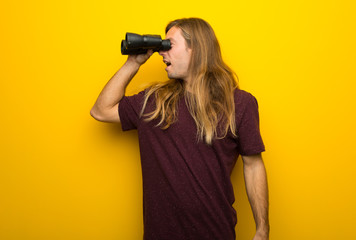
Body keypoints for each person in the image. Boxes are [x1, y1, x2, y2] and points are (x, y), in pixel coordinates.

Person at [90, 17, 269, 240]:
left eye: (169, 45)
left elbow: (253, 166)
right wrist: (133, 63)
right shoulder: (154, 102)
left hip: (216, 233)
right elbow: (101, 110)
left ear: (196, 48)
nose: (161, 53)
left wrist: (262, 229)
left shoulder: (240, 104)